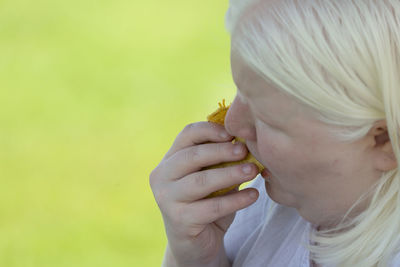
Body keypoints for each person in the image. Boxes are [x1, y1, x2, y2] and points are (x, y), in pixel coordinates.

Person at [149, 0, 400, 266]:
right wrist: (194, 257)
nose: (233, 124)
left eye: (267, 119)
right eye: (240, 92)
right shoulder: (271, 202)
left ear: (385, 140)